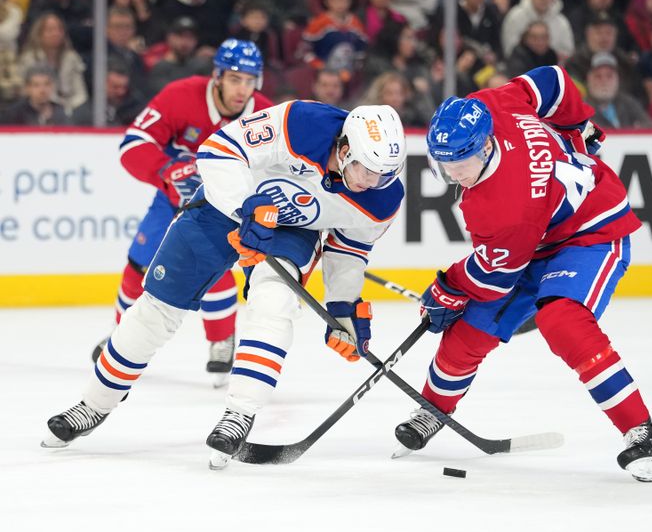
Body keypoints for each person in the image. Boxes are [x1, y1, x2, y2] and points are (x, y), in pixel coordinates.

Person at [42, 100, 407, 473]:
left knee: (274, 303)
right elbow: (220, 149)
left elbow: (349, 251)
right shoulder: (302, 122)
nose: (370, 182)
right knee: (156, 308)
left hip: (296, 231)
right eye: (365, 169)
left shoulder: (382, 198)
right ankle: (94, 403)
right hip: (226, 207)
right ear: (344, 148)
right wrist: (244, 209)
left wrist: (342, 309)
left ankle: (239, 414)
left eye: (382, 175)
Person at [392, 65, 652, 482]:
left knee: (561, 320)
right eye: (445, 164)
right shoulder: (488, 105)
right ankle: (433, 409)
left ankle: (644, 434)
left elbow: (495, 276)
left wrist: (448, 287)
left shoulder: (502, 203)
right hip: (533, 240)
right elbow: (552, 80)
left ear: (486, 142)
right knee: (472, 328)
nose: (454, 174)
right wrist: (578, 121)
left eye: (463, 162)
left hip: (590, 232)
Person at [87, 39, 272, 386]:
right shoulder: (180, 96)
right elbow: (133, 144)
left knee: (212, 268)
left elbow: (279, 169)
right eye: (235, 79)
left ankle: (221, 341)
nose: (242, 89)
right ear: (217, 76)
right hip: (171, 198)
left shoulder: (265, 115)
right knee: (138, 264)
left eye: (250, 80)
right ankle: (120, 335)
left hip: (222, 209)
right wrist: (167, 171)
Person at [0, 64, 69, 125]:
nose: (42, 90)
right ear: (27, 88)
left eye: (47, 84)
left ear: (53, 86)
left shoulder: (60, 112)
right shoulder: (14, 114)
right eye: (36, 85)